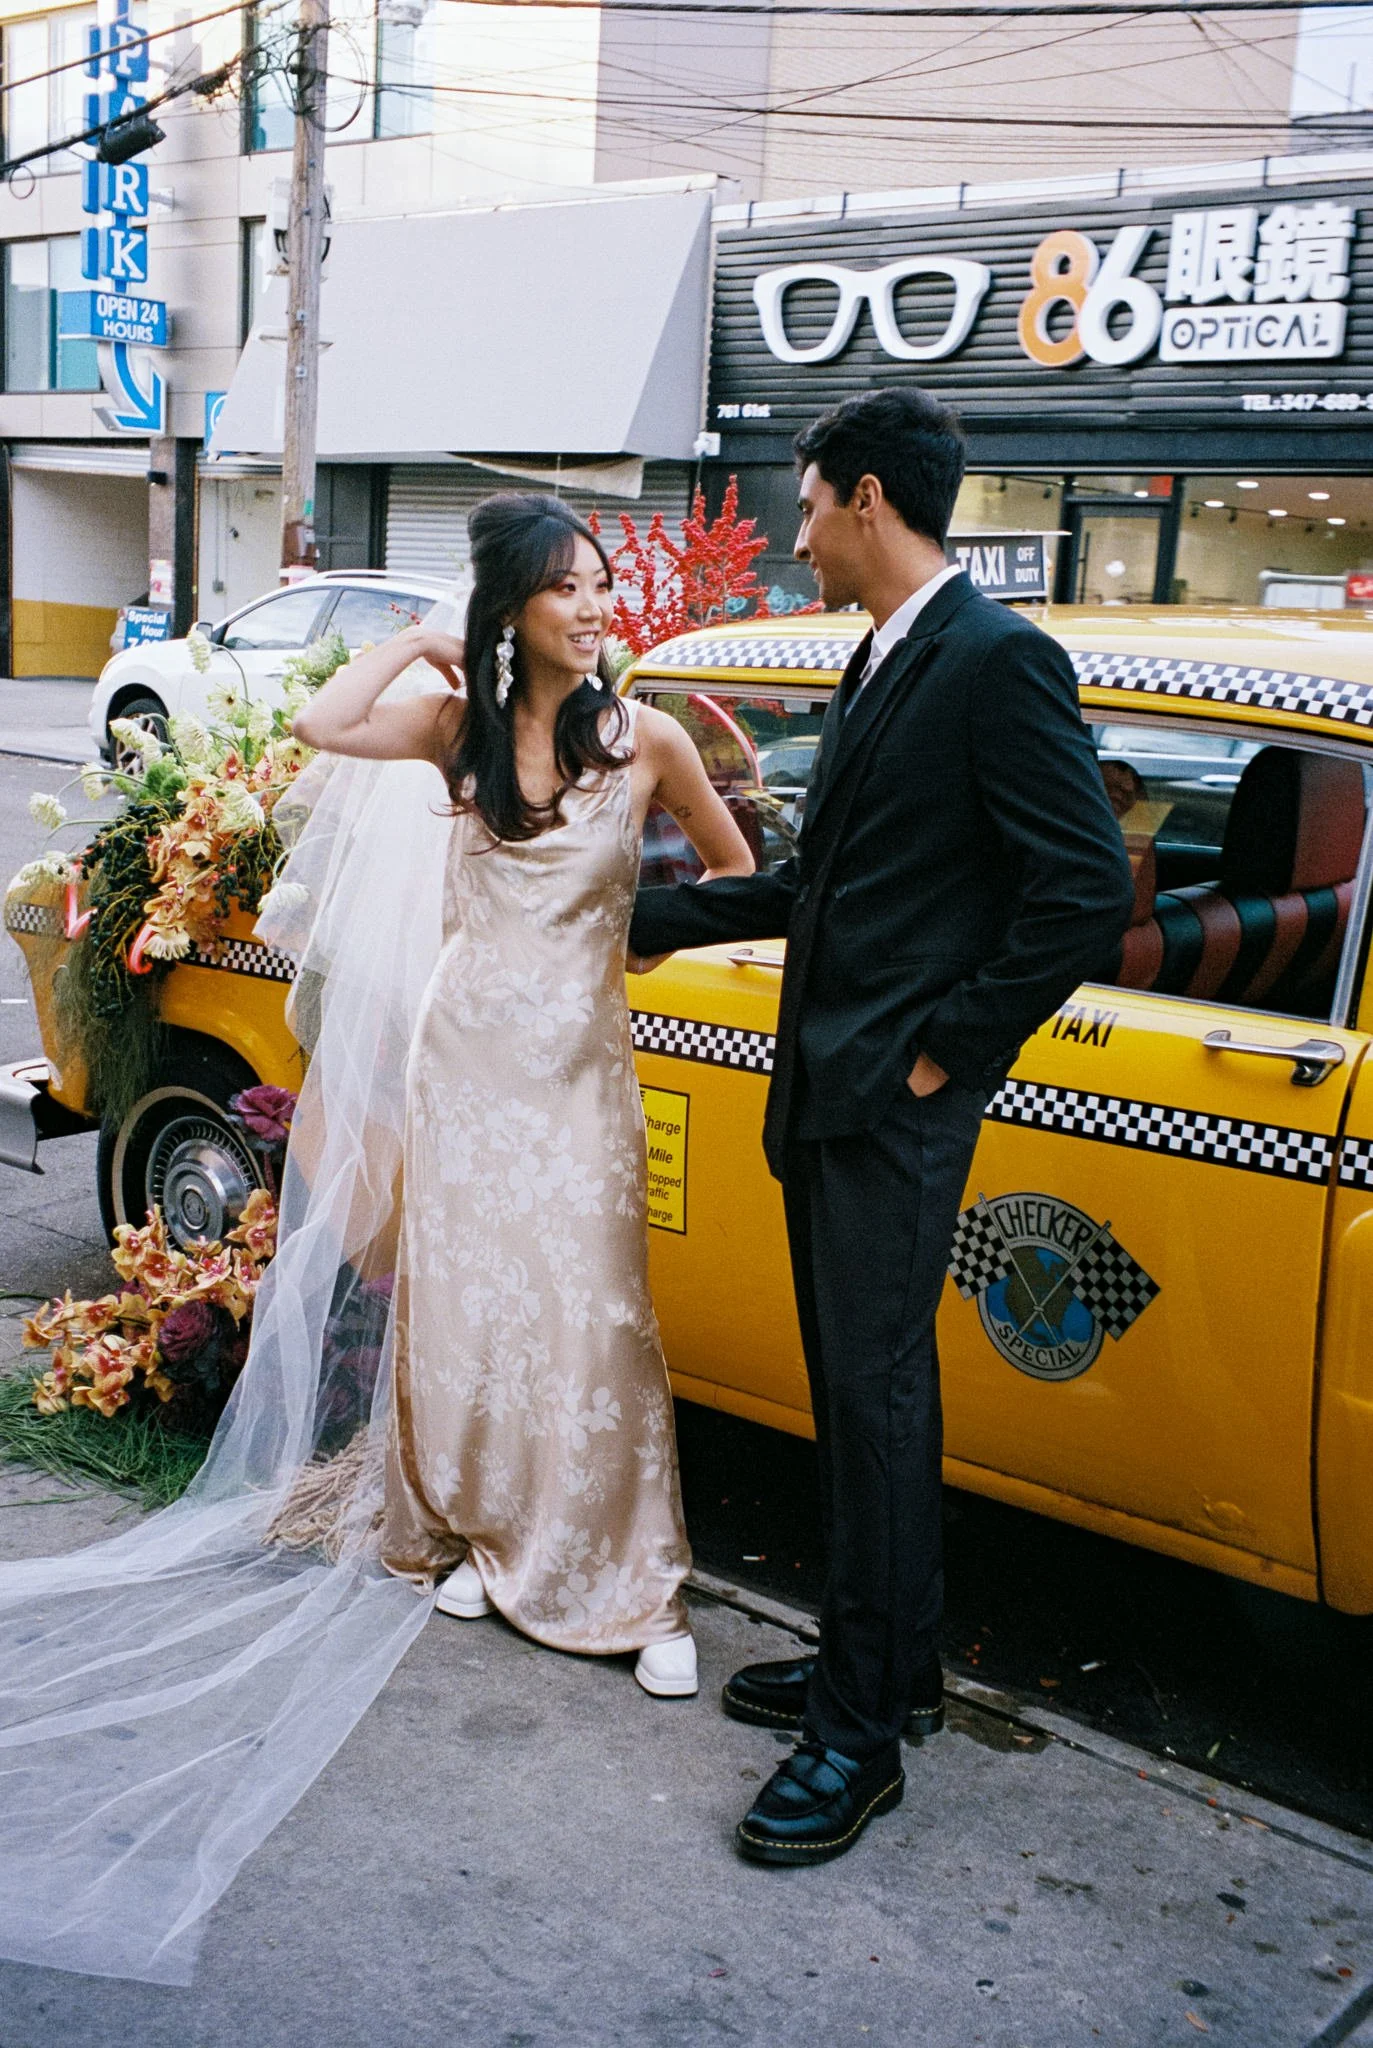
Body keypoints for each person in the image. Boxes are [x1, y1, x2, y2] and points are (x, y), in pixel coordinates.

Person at [627, 390, 1135, 1864]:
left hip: (892, 1108)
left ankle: (858, 1741)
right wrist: (625, 911)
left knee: (877, 1404)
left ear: (862, 499)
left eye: (802, 509)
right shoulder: (881, 657)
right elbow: (819, 892)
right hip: (832, 1097)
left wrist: (941, 1056)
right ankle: (890, 1670)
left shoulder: (996, 660)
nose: (794, 538)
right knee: (863, 1403)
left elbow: (1079, 893)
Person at [295, 492, 755, 1695]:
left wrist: (629, 936)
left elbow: (732, 867)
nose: (594, 605)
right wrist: (413, 640)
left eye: (600, 582)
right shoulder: (461, 728)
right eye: (565, 585)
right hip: (464, 1064)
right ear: (512, 607)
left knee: (596, 1316)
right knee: (475, 1307)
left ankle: (635, 1580)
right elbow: (319, 718)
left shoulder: (648, 739)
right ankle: (483, 1534)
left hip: (582, 1073)